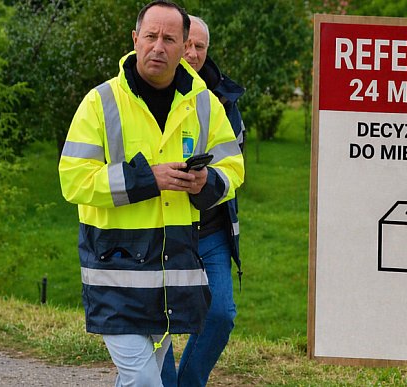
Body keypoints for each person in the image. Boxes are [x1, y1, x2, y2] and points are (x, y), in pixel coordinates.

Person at [57, 1, 244, 385]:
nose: (158, 46)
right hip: (115, 270)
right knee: (144, 381)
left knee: (142, 380)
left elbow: (234, 168)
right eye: (150, 37)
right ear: (135, 40)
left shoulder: (204, 103)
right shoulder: (101, 102)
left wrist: (206, 181)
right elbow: (73, 180)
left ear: (183, 48)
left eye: (169, 39)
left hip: (171, 273)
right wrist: (147, 179)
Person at [161, 15, 246, 387]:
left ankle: (188, 383)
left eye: (200, 47)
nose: (192, 54)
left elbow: (234, 164)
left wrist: (207, 180)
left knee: (221, 314)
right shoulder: (147, 89)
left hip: (210, 228)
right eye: (188, 44)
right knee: (155, 318)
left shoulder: (223, 99)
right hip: (157, 225)